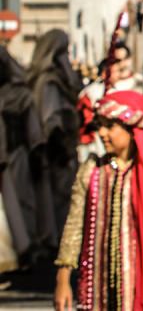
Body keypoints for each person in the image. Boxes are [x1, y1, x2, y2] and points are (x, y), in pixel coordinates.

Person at [53, 90, 143, 311]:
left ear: (132, 130)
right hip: (96, 286)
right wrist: (62, 279)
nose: (102, 133)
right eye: (100, 125)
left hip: (138, 285)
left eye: (110, 126)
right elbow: (74, 226)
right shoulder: (92, 170)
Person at [0, 45, 52, 265]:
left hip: (16, 152)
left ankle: (27, 246)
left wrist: (36, 147)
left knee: (21, 200)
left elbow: (32, 124)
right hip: (5, 152)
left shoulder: (20, 93)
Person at [29, 30, 82, 236]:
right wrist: (59, 142)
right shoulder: (49, 82)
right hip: (56, 148)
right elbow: (50, 118)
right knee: (57, 197)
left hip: (65, 145)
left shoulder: (58, 80)